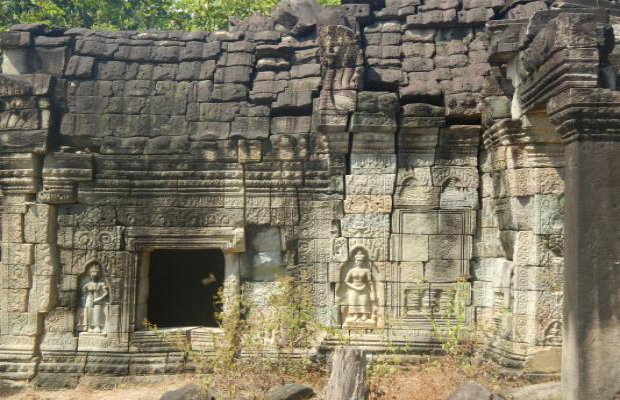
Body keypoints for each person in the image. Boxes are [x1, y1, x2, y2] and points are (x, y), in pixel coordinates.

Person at [344, 252, 375, 323]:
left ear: (363, 261)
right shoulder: (351, 270)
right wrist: (353, 287)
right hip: (353, 288)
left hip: (363, 288)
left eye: (360, 261)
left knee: (363, 302)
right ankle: (355, 315)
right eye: (358, 261)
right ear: (355, 261)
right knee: (353, 301)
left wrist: (373, 292)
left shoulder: (366, 270)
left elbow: (370, 282)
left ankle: (365, 315)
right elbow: (346, 281)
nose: (359, 262)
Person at [82, 263, 109, 333]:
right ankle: (89, 326)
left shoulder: (101, 284)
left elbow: (106, 293)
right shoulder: (87, 284)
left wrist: (98, 299)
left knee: (97, 312)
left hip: (98, 300)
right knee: (88, 312)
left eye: (96, 273)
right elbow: (83, 293)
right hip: (89, 300)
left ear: (99, 274)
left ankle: (97, 326)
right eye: (92, 273)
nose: (94, 275)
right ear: (90, 274)